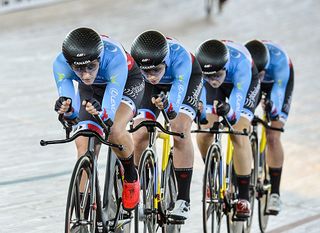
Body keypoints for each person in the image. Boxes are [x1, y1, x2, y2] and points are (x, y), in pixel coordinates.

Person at [53, 27, 145, 211]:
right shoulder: (60, 63)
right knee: (83, 142)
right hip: (91, 90)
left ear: (99, 59)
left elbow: (108, 115)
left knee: (115, 131)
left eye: (91, 66)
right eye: (79, 68)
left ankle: (130, 175)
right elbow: (71, 111)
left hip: (125, 84)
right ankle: (82, 212)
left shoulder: (114, 57)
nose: (86, 74)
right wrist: (67, 111)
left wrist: (101, 114)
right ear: (70, 64)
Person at [130, 30, 203, 220]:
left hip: (183, 83)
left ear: (166, 62)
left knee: (179, 129)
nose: (152, 76)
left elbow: (175, 104)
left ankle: (183, 199)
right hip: (149, 90)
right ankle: (138, 189)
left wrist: (169, 107)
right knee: (139, 133)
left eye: (156, 70)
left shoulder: (180, 59)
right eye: (146, 71)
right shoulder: (142, 71)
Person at [195, 39, 260, 219]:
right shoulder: (204, 73)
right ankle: (213, 173)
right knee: (204, 131)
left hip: (241, 85)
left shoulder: (240, 65)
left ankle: (244, 196)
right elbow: (199, 109)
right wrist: (199, 115)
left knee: (238, 132)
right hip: (215, 78)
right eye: (209, 76)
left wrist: (228, 111)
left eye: (217, 75)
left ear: (225, 67)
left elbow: (235, 114)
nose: (213, 80)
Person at [245, 40, 294, 214]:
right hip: (252, 79)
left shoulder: (279, 63)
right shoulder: (246, 61)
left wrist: (272, 109)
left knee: (273, 135)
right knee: (241, 126)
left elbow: (279, 96)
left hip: (278, 83)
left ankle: (275, 193)